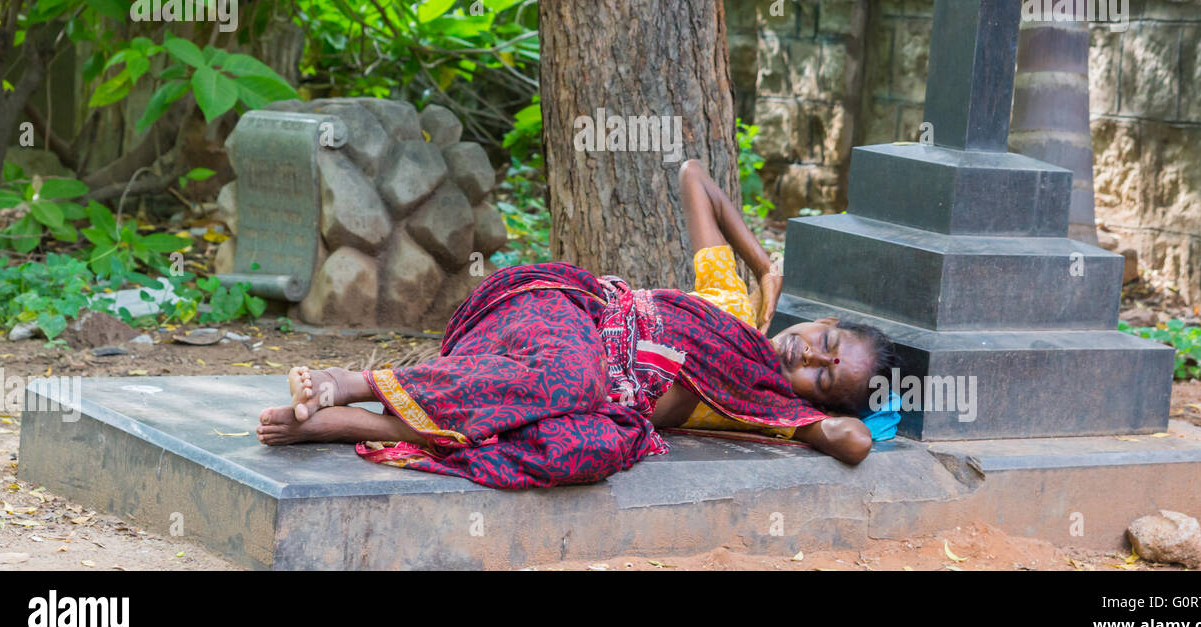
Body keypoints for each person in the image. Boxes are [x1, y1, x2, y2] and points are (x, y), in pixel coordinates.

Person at [256, 160, 899, 489]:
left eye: (822, 378)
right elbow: (694, 177)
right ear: (825, 319)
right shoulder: (733, 304)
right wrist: (764, 269)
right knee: (567, 376)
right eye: (826, 343)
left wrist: (816, 416)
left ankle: (350, 426)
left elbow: (854, 442)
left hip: (591, 399)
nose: (807, 358)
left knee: (583, 446)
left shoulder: (765, 407)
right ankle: (356, 382)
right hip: (562, 314)